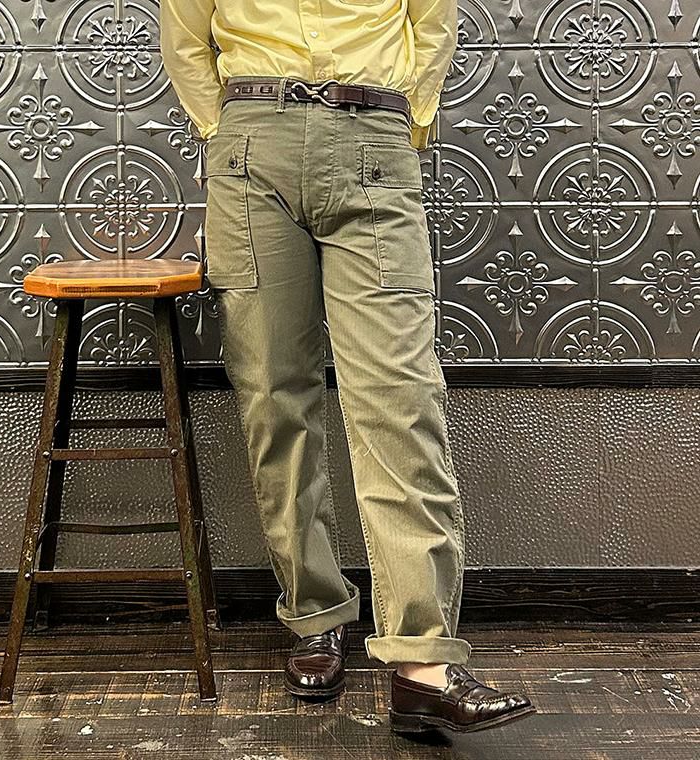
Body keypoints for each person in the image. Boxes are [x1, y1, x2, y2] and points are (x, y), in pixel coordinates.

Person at [160, 0, 536, 735]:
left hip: (372, 140)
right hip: (250, 150)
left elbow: (432, 25)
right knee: (275, 398)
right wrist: (227, 131)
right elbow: (185, 39)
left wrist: (403, 122)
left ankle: (422, 662)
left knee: (400, 399)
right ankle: (315, 613)